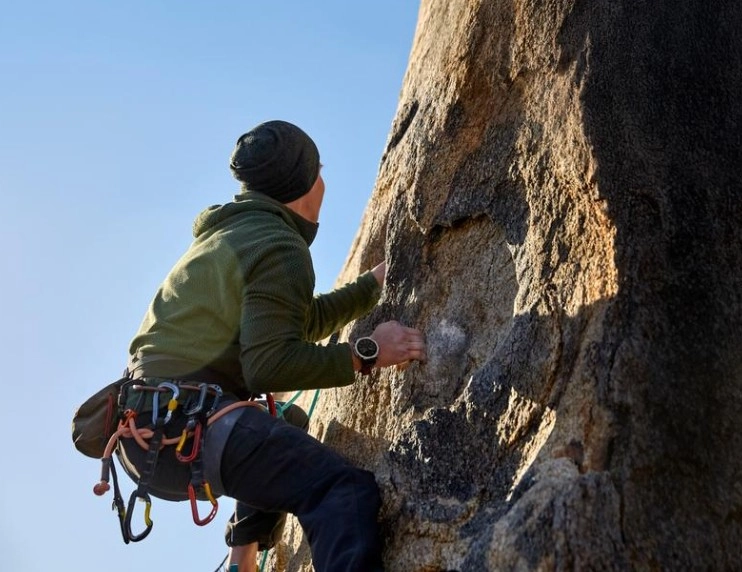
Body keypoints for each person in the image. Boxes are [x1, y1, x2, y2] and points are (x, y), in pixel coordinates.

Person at [119, 120, 426, 572]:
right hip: (187, 427)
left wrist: (368, 288)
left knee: (286, 420)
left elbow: (290, 323)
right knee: (341, 491)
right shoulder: (278, 245)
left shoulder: (231, 234)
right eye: (319, 171)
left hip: (151, 429)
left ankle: (242, 556)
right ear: (303, 183)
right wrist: (367, 353)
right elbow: (269, 365)